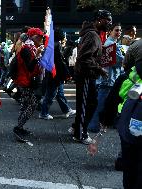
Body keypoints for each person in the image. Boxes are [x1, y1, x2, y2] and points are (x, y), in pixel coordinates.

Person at [70, 10, 112, 144]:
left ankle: (77, 128)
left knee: (88, 104)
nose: (110, 23)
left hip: (87, 74)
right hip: (86, 75)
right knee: (87, 105)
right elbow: (84, 58)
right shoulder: (93, 35)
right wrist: (100, 69)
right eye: (108, 20)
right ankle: (80, 134)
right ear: (99, 20)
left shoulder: (93, 34)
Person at [88, 23, 124, 133]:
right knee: (101, 104)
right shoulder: (111, 44)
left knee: (103, 104)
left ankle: (97, 125)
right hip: (108, 79)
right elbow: (120, 61)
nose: (119, 32)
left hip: (108, 78)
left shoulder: (111, 43)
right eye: (116, 30)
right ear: (110, 31)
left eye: (120, 30)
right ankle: (94, 126)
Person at [12, 27, 44, 142]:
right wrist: (38, 55)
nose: (41, 38)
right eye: (39, 36)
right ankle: (18, 128)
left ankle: (20, 127)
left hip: (27, 80)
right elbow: (30, 67)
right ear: (33, 37)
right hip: (25, 81)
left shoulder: (31, 47)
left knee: (25, 104)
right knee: (32, 104)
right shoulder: (27, 49)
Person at [39, 28, 76, 120]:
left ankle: (67, 109)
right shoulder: (57, 45)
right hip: (55, 74)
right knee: (51, 94)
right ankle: (43, 113)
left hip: (52, 73)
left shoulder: (51, 44)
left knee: (59, 93)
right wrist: (65, 73)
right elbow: (59, 62)